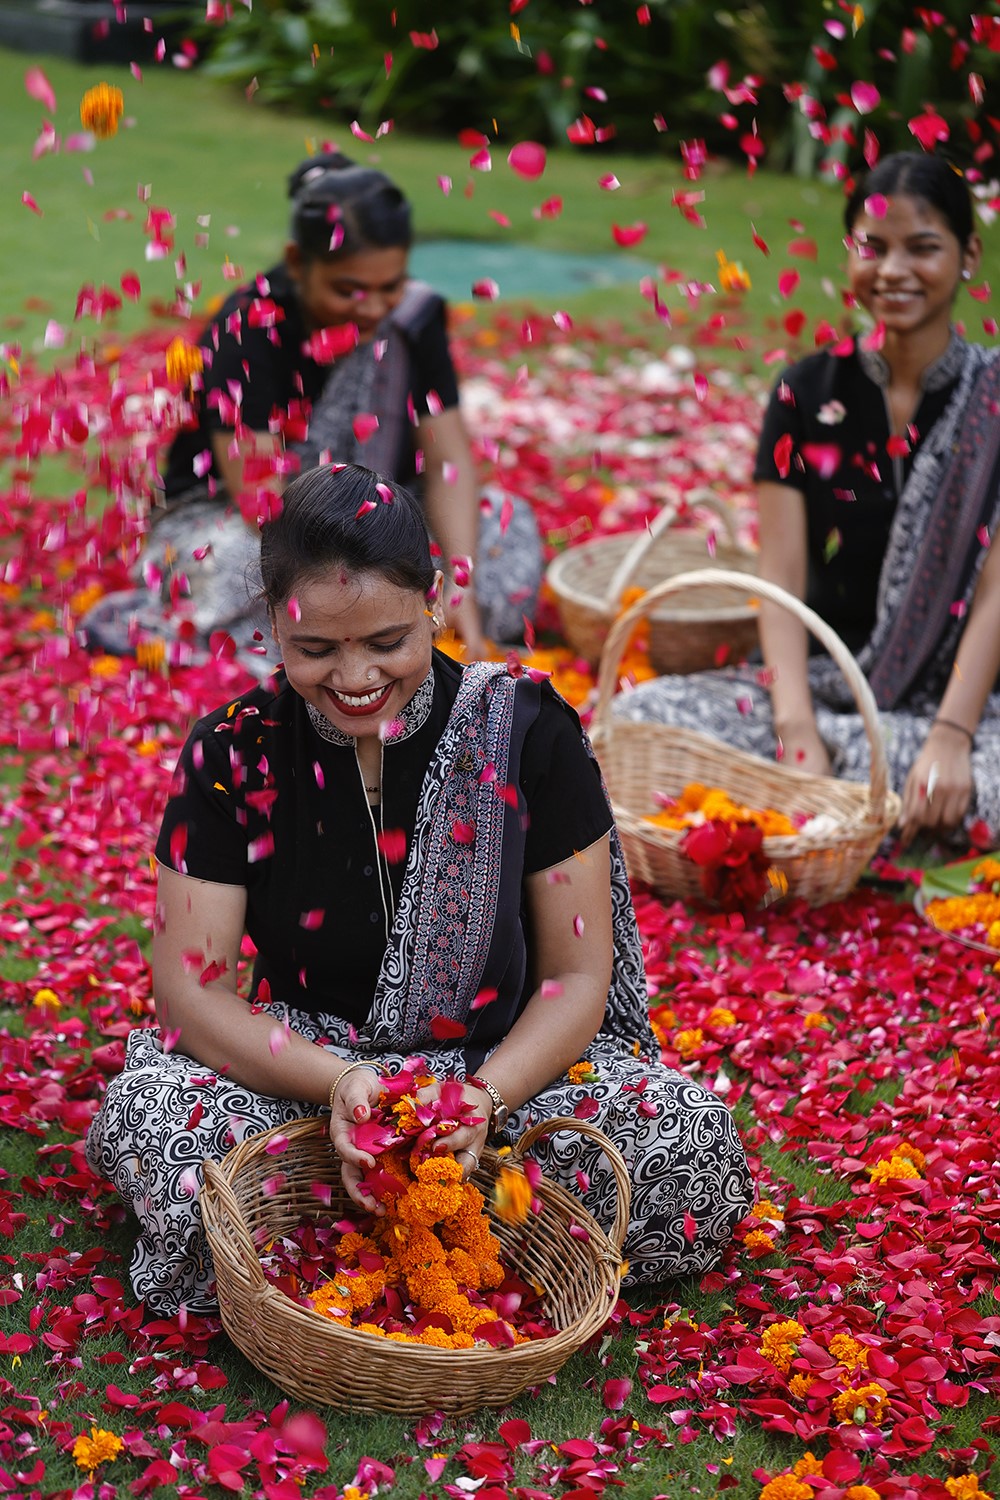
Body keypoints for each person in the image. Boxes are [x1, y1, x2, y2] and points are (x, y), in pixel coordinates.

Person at [84, 464, 752, 1315]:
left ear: (434, 600)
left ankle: (383, 1228)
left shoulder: (529, 732)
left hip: (501, 1077)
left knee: (685, 1146)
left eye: (386, 641)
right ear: (273, 626)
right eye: (315, 649)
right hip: (307, 1080)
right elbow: (189, 990)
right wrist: (339, 1090)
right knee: (153, 1118)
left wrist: (480, 1101)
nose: (354, 678)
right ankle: (470, 1233)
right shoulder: (234, 752)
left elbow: (578, 980)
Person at [614, 152, 1000, 848]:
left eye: (923, 248)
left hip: (964, 706)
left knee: (984, 781)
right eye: (873, 248)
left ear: (969, 254)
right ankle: (847, 806)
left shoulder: (993, 403)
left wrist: (950, 737)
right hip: (827, 687)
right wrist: (795, 730)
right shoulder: (806, 390)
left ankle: (832, 810)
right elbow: (782, 576)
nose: (893, 271)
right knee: (643, 716)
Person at [82, 153, 542, 669]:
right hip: (257, 529)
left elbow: (448, 463)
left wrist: (459, 585)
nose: (372, 309)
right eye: (349, 290)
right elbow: (264, 506)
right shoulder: (248, 328)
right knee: (230, 566)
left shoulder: (414, 318)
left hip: (384, 514)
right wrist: (375, 589)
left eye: (389, 287)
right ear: (299, 263)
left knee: (507, 528)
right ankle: (372, 634)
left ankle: (376, 632)